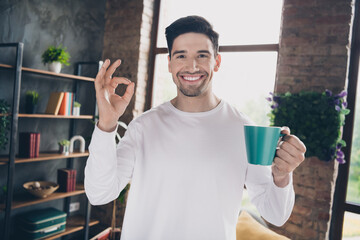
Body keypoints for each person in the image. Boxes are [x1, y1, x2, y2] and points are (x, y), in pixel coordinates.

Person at [85, 15, 306, 240]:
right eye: (181, 56)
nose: (191, 66)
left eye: (202, 55)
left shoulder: (243, 128)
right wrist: (107, 123)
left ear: (216, 62)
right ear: (170, 63)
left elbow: (276, 215)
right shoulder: (144, 126)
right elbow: (99, 193)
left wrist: (281, 176)